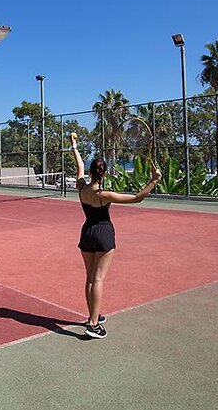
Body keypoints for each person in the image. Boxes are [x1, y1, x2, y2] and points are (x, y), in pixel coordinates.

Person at [70, 133, 161, 339]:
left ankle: (93, 316)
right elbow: (137, 198)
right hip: (103, 234)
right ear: (103, 173)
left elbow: (79, 165)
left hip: (87, 233)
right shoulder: (105, 195)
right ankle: (93, 324)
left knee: (90, 278)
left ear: (91, 172)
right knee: (98, 279)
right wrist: (154, 180)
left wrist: (74, 145)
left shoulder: (81, 188)